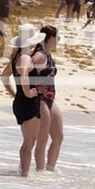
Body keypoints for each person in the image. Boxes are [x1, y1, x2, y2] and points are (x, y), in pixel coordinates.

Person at [0, 24, 44, 177]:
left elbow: (4, 76)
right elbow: (24, 75)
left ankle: (22, 171)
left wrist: (15, 94)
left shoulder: (15, 56)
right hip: (28, 101)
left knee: (28, 141)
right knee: (29, 142)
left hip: (19, 101)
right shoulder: (25, 57)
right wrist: (27, 92)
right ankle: (24, 174)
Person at [32, 25, 63, 172]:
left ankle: (50, 170)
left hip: (50, 99)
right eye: (57, 38)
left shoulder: (48, 55)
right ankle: (40, 171)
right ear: (50, 38)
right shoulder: (39, 56)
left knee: (58, 137)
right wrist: (34, 89)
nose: (58, 41)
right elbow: (24, 72)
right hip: (40, 99)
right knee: (42, 140)